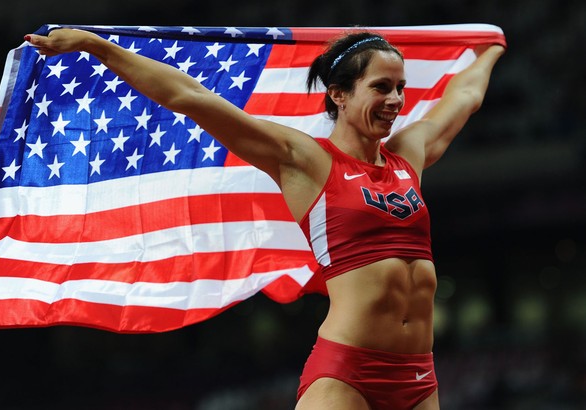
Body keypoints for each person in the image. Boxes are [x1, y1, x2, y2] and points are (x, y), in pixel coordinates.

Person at [25, 28, 504, 409]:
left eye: (400, 88)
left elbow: (464, 100)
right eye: (381, 87)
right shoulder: (304, 159)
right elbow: (190, 97)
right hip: (348, 373)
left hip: (419, 376)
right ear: (338, 94)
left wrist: (490, 48)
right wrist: (95, 45)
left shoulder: (408, 155)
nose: (397, 100)